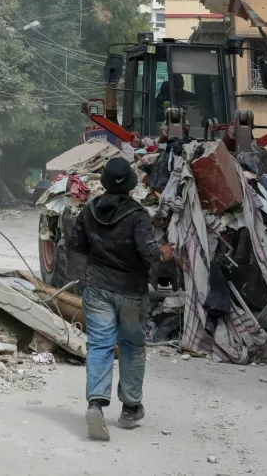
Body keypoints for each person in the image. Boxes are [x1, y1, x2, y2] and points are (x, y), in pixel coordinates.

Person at [69, 157, 174, 441]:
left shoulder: (88, 211)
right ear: (130, 185)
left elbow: (76, 246)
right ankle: (130, 408)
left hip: (97, 289)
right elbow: (149, 252)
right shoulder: (137, 215)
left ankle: (95, 404)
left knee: (100, 347)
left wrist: (85, 280)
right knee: (131, 347)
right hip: (131, 292)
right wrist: (165, 252)